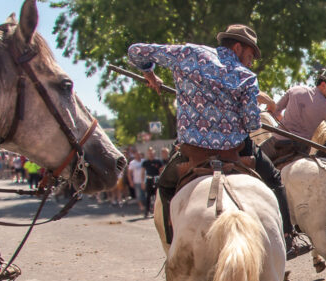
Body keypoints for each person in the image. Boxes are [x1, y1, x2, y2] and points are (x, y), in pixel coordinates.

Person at [128, 24, 299, 253]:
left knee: (166, 187)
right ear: (238, 47)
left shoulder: (188, 53)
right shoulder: (246, 77)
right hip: (235, 151)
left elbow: (136, 51)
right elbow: (252, 124)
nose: (251, 63)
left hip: (192, 151)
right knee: (276, 180)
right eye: (250, 56)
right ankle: (288, 237)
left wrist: (150, 74)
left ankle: (171, 244)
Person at [140, 147, 164, 217]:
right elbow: (142, 172)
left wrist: (161, 180)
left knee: (157, 196)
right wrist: (142, 182)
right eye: (149, 152)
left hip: (156, 179)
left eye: (152, 152)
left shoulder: (158, 161)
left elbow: (161, 170)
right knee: (148, 196)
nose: (150, 154)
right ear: (147, 154)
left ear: (154, 152)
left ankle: (156, 212)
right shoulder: (145, 162)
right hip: (149, 179)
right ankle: (147, 212)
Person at [127, 150, 146, 216]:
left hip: (144, 181)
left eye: (139, 154)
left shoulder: (144, 161)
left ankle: (146, 206)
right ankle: (141, 206)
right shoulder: (132, 163)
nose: (138, 156)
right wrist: (131, 181)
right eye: (136, 154)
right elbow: (129, 173)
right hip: (137, 181)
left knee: (145, 194)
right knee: (138, 195)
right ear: (135, 155)